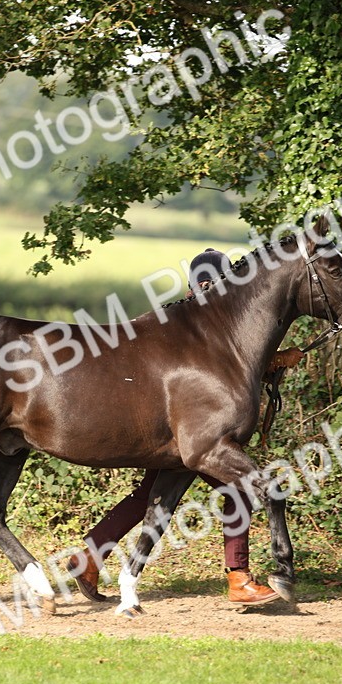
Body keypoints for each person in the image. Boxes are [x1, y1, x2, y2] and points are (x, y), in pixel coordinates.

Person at [66, 248, 305, 606]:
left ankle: (88, 558)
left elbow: (221, 368)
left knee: (148, 496)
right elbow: (218, 371)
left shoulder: (183, 319)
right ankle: (238, 577)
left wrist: (273, 361)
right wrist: (277, 359)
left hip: (167, 432)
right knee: (239, 489)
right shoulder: (204, 325)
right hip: (185, 431)